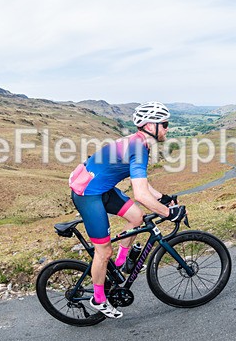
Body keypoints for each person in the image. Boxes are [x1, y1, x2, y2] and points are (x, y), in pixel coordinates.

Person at [67, 101, 185, 319]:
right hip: (88, 194)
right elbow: (140, 194)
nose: (168, 128)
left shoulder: (139, 142)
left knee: (137, 216)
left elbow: (141, 183)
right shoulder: (139, 147)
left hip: (102, 188)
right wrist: (168, 213)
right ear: (151, 126)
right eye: (165, 123)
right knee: (103, 252)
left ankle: (119, 266)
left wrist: (163, 198)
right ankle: (99, 299)